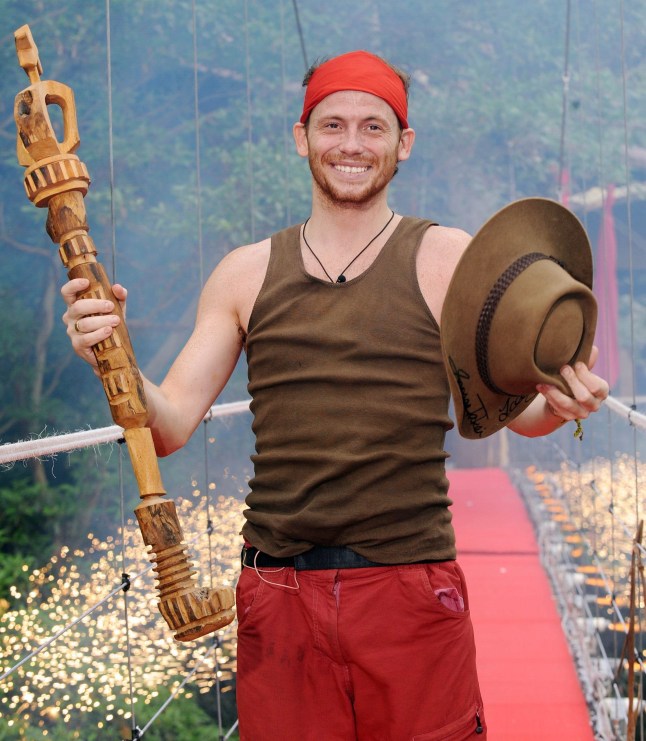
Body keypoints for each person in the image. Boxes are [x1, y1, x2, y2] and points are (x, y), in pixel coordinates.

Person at [61, 50, 608, 741]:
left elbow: (514, 412)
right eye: (333, 124)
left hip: (409, 586)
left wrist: (561, 403)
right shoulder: (244, 273)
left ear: (403, 144)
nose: (352, 144)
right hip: (278, 593)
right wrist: (110, 351)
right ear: (302, 136)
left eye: (374, 127)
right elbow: (167, 424)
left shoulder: (446, 259)